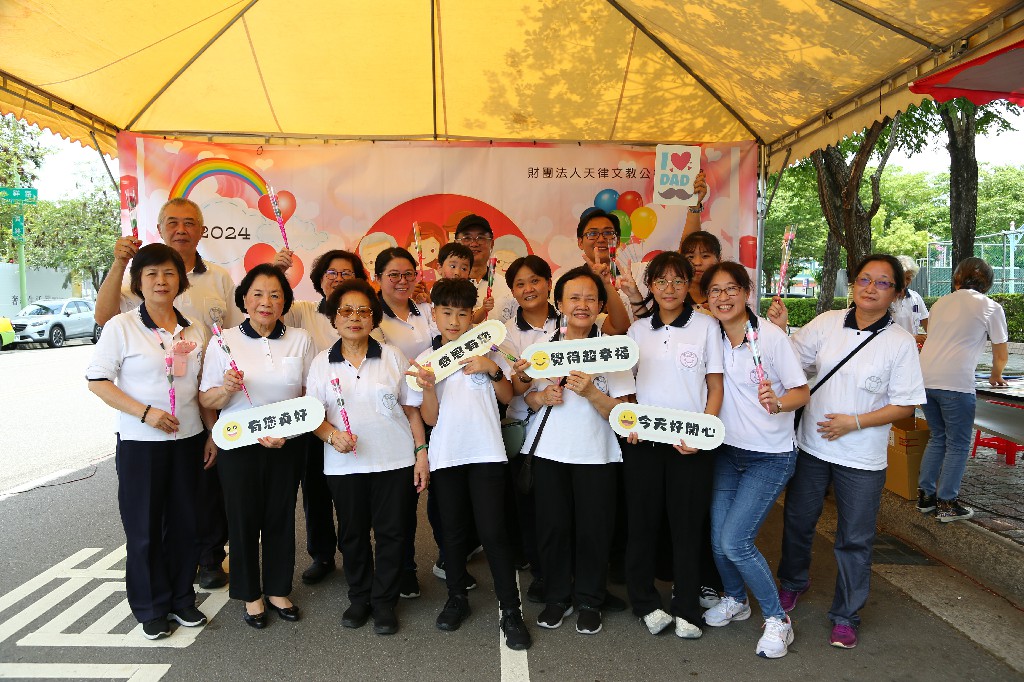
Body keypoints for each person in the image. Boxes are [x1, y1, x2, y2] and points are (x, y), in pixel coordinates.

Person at [767, 254, 926, 649]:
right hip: (812, 446)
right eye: (864, 279)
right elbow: (790, 365)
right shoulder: (827, 323)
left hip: (862, 458)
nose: (870, 288)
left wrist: (853, 422)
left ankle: (846, 615)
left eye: (883, 282)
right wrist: (780, 332)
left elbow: (905, 405)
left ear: (897, 293)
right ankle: (793, 582)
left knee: (854, 538)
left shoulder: (900, 342)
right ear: (853, 283)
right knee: (798, 521)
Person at [94, 197, 241, 590]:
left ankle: (205, 564)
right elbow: (103, 320)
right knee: (149, 518)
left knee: (199, 502)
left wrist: (214, 425)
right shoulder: (131, 294)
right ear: (159, 229)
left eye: (189, 222)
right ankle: (155, 595)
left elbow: (231, 337)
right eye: (172, 222)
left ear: (202, 230)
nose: (181, 229)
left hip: (200, 412)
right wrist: (119, 264)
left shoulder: (216, 285)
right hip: (146, 429)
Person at [86, 243, 213, 640]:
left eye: (169, 273)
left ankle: (182, 598)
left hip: (189, 440)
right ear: (138, 282)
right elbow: (97, 381)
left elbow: (200, 387)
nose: (161, 281)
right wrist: (145, 413)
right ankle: (151, 606)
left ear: (181, 281)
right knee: (144, 528)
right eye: (152, 274)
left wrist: (210, 432)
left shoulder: (195, 328)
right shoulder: (121, 327)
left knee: (186, 524)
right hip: (141, 443)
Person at [407, 278, 532, 651]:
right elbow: (430, 419)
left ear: (472, 316)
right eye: (446, 312)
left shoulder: (489, 350)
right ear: (434, 313)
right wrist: (429, 386)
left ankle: (511, 610)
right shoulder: (426, 361)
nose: (454, 321)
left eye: (462, 313)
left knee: (494, 533)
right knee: (453, 533)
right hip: (447, 457)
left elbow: (507, 397)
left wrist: (491, 369)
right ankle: (456, 598)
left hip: (487, 454)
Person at [307, 278, 430, 635]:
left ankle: (384, 601)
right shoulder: (322, 363)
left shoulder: (392, 357)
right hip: (344, 465)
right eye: (346, 311)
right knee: (353, 534)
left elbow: (411, 410)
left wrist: (421, 454)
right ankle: (359, 596)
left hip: (394, 462)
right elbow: (313, 416)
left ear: (374, 318)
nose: (354, 317)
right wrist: (332, 436)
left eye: (363, 311)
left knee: (393, 533)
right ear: (334, 318)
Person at [700, 261, 809, 659]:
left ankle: (778, 619)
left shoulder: (770, 338)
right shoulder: (710, 335)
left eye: (732, 289)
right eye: (715, 290)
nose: (723, 297)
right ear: (706, 299)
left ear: (746, 293)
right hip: (727, 452)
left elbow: (801, 392)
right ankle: (736, 598)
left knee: (736, 541)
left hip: (770, 457)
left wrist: (778, 403)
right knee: (717, 540)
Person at [199, 264, 315, 629]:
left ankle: (278, 589)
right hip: (239, 445)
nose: (266, 302)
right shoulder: (223, 341)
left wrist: (289, 434)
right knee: (243, 518)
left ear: (285, 302)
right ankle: (250, 593)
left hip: (287, 443)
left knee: (281, 515)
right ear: (244, 300)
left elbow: (311, 395)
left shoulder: (300, 339)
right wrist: (226, 390)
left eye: (275, 295)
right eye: (258, 294)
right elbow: (206, 398)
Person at [523, 266, 636, 636]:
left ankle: (589, 599)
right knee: (552, 529)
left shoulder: (612, 351)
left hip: (597, 455)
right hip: (549, 453)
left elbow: (624, 414)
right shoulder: (543, 349)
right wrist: (542, 396)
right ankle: (558, 597)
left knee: (594, 530)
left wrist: (591, 393)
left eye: (590, 298)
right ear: (559, 304)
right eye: (574, 297)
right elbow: (527, 396)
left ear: (601, 305)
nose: (582, 304)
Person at [621, 252, 724, 641]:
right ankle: (644, 602)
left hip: (689, 445)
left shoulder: (706, 326)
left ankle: (686, 606)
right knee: (642, 525)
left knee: (687, 527)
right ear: (650, 286)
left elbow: (715, 386)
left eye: (678, 281)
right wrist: (630, 421)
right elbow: (626, 387)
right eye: (661, 281)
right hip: (645, 443)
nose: (670, 288)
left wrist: (703, 434)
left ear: (688, 285)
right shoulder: (637, 331)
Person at [273, 247, 369, 586]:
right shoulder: (303, 311)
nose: (338, 279)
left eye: (347, 273)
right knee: (315, 490)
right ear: (319, 279)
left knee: (351, 490)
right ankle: (322, 554)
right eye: (332, 273)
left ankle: (355, 553)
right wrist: (278, 271)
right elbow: (273, 304)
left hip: (354, 418)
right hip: (312, 419)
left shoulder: (364, 315)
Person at [369, 247, 446, 599]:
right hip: (397, 413)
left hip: (436, 406)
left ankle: (449, 557)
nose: (402, 281)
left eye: (408, 274)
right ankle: (403, 568)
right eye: (393, 275)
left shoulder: (426, 310)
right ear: (378, 278)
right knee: (403, 497)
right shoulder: (373, 317)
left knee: (441, 490)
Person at [917, 257, 1008, 521]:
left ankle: (926, 497)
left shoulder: (940, 303)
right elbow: (1001, 354)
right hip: (955, 382)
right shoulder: (990, 307)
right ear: (987, 283)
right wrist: (996, 375)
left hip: (925, 379)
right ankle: (947, 504)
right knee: (958, 444)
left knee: (938, 437)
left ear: (956, 280)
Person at [501, 255, 560, 605]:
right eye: (520, 284)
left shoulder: (569, 318)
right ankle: (539, 571)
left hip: (566, 424)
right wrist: (524, 375)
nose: (528, 288)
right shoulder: (507, 333)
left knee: (563, 505)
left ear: (548, 283)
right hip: (527, 430)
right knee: (531, 505)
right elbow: (513, 388)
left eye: (535, 280)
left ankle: (568, 568)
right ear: (512, 291)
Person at [453, 214, 518, 323]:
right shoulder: (445, 287)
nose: (474, 244)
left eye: (481, 238)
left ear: (491, 243)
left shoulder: (507, 287)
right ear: (456, 243)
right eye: (467, 238)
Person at [893, 255, 929, 340]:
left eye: (908, 278)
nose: (904, 282)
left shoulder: (915, 298)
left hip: (912, 347)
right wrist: (913, 338)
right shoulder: (885, 299)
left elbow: (927, 324)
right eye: (901, 278)